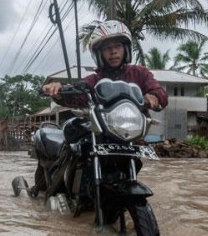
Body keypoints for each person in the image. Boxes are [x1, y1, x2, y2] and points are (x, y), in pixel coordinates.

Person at [30, 19, 168, 195]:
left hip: (128, 136)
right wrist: (58, 90)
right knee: (77, 139)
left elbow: (159, 93)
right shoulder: (94, 80)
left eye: (117, 46)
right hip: (101, 135)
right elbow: (76, 93)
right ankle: (60, 184)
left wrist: (153, 97)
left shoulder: (140, 73)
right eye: (106, 48)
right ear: (100, 54)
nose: (112, 52)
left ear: (125, 48)